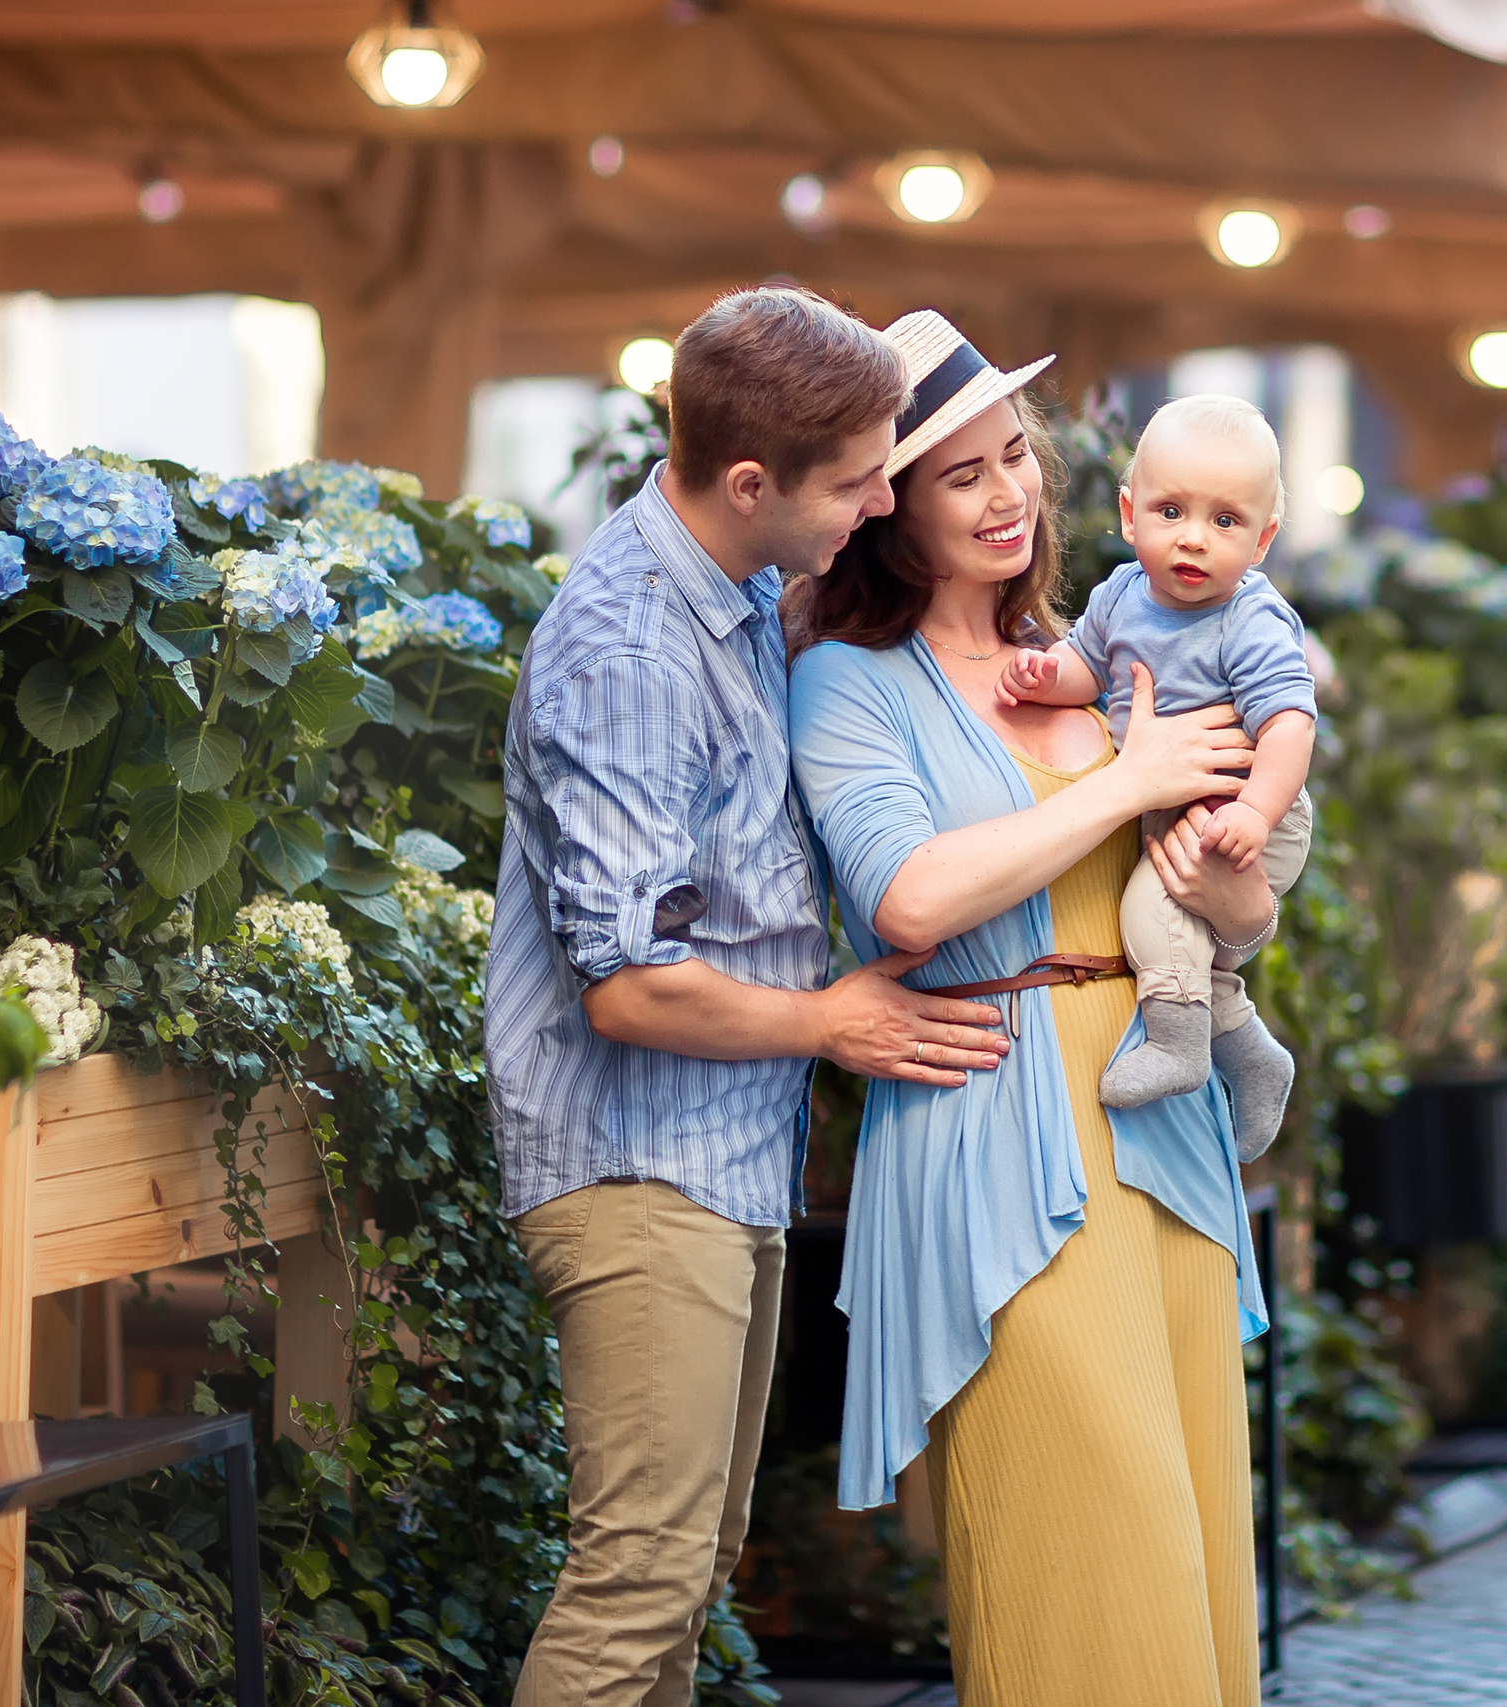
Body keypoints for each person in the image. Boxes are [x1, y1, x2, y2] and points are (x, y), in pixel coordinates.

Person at [484, 285, 1015, 1707]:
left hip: (718, 1151)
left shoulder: (729, 591)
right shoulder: (634, 649)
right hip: (634, 1155)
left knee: (688, 1570)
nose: (879, 499)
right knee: (635, 1581)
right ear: (747, 480)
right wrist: (836, 1019)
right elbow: (629, 987)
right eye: (857, 481)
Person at [787, 310, 1277, 1707]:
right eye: (963, 475)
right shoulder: (850, 681)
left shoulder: (1112, 654)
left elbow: (1239, 915)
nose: (1010, 495)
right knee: (1082, 1537)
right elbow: (910, 898)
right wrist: (1128, 784)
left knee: (1187, 1543)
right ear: (888, 507)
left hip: (1162, 1123)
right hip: (997, 1114)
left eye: (1019, 458)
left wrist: (1225, 870)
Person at [996, 393, 1315, 1158]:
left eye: (1226, 522)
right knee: (1187, 948)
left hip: (1239, 812)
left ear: (1264, 538)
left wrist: (1256, 815)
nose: (1194, 540)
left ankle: (1179, 1048)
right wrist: (1046, 674)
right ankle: (1253, 1056)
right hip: (1178, 810)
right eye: (1172, 512)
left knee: (1153, 916)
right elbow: (1088, 668)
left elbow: (1288, 726)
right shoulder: (1119, 596)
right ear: (1131, 513)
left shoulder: (1251, 621)